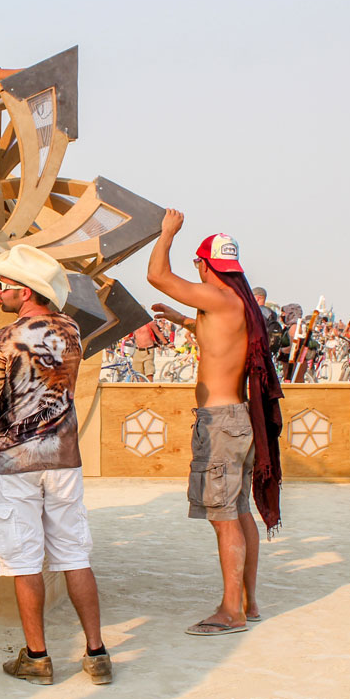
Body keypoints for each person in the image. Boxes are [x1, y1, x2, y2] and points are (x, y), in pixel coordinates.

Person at [0, 243, 112, 686]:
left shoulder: (2, 341)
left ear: (22, 291)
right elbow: (24, 302)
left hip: (16, 462)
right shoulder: (71, 332)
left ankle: (38, 658)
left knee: (24, 560)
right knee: (74, 555)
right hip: (64, 459)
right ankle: (97, 654)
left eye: (3, 286)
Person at [147, 213, 283, 637]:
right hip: (236, 419)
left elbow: (155, 274)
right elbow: (216, 336)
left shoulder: (218, 298)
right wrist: (180, 316)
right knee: (239, 513)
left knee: (224, 518)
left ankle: (231, 611)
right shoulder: (235, 305)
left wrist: (167, 232)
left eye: (198, 265)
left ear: (206, 265)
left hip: (221, 425)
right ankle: (248, 602)